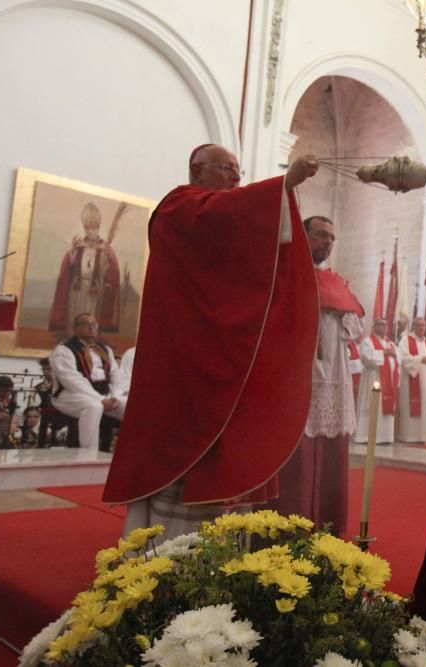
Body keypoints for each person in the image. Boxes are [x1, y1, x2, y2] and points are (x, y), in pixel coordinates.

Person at [102, 144, 320, 541]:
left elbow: (249, 258)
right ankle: (166, 557)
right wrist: (283, 183)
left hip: (223, 350)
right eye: (226, 170)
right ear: (197, 170)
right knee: (185, 443)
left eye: (238, 171)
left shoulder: (224, 217)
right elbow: (223, 218)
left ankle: (224, 561)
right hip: (183, 355)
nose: (237, 178)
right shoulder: (177, 207)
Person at [270, 215, 363, 535]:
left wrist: (337, 307)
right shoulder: (284, 273)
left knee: (329, 454)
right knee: (297, 456)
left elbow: (354, 328)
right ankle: (287, 528)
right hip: (297, 376)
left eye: (331, 238)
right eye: (321, 235)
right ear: (303, 236)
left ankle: (326, 526)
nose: (328, 242)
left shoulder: (336, 281)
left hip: (332, 376)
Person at [50, 312, 127, 452]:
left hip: (104, 394)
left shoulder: (105, 350)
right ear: (75, 328)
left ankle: (128, 452)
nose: (91, 327)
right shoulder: (64, 350)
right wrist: (101, 399)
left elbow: (116, 375)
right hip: (69, 394)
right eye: (86, 324)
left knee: (130, 405)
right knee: (94, 406)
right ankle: (88, 454)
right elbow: (72, 381)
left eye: (94, 324)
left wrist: (115, 396)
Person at [49, 201, 122, 334]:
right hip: (77, 289)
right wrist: (72, 251)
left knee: (91, 318)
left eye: (94, 228)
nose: (91, 231)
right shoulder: (79, 245)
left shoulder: (105, 247)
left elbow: (113, 271)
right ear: (85, 228)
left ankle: (90, 340)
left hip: (95, 290)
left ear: (98, 228)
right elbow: (69, 264)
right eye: (88, 228)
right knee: (76, 316)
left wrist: (108, 261)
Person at [355, 318, 399, 445]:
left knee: (384, 407)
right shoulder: (367, 342)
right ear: (374, 327)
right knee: (372, 405)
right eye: (381, 325)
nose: (384, 327)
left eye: (385, 325)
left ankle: (385, 436)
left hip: (388, 382)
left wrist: (394, 355)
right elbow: (366, 358)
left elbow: (398, 357)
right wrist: (384, 353)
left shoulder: (390, 343)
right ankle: (365, 436)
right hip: (373, 378)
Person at [398, 317, 426, 443]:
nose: (421, 328)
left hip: (425, 383)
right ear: (413, 326)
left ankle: (422, 436)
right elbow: (403, 358)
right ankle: (408, 436)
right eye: (419, 325)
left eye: (424, 325)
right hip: (410, 381)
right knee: (409, 407)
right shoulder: (406, 340)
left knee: (424, 408)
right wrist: (421, 360)